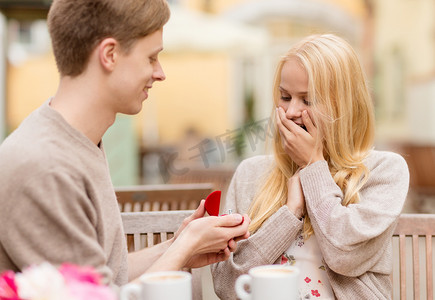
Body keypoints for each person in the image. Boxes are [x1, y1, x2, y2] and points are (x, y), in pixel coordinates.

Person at [0, 0, 250, 287]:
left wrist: (177, 246)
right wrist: (186, 247)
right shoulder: (43, 167)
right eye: (151, 57)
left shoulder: (76, 142)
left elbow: (108, 276)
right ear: (110, 54)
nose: (160, 73)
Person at [211, 34, 409, 299]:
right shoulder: (250, 174)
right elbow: (226, 286)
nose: (292, 111)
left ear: (345, 106)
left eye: (308, 100)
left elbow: (343, 256)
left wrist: (314, 167)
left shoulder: (385, 171)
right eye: (285, 96)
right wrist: (290, 214)